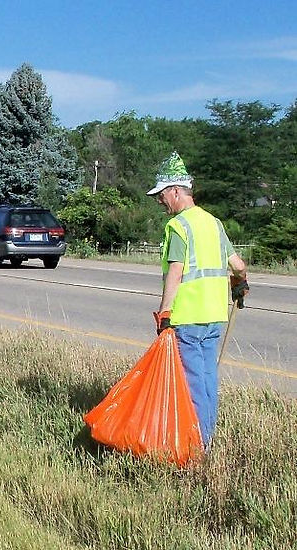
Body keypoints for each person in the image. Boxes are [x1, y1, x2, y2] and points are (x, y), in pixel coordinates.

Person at [148, 152, 249, 448]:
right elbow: (239, 265)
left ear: (176, 191)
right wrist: (240, 283)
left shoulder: (179, 226)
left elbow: (176, 271)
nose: (160, 201)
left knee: (192, 385)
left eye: (161, 195)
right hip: (214, 315)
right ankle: (206, 438)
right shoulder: (213, 223)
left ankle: (197, 446)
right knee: (206, 381)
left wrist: (164, 313)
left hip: (188, 318)